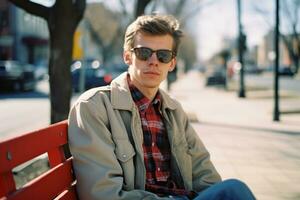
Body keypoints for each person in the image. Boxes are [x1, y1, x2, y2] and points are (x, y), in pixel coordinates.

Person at [68, 14, 255, 200]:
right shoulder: (95, 106)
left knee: (230, 192)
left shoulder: (174, 111)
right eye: (144, 53)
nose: (154, 61)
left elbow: (203, 173)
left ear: (172, 63)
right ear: (127, 56)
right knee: (234, 190)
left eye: (163, 55)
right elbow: (103, 193)